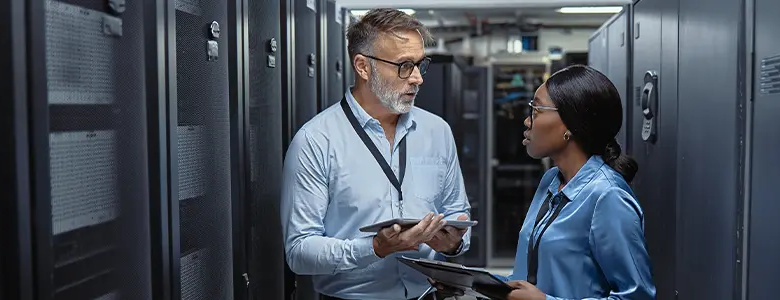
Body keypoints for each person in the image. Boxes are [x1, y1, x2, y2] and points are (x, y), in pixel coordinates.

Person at [280, 8, 472, 300]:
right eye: (404, 65)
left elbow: (459, 212)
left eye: (421, 64)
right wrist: (374, 248)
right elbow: (299, 251)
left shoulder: (438, 131)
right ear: (363, 67)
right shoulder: (316, 140)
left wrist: (453, 245)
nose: (418, 78)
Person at [486, 65, 656, 300]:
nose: (526, 121)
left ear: (570, 124)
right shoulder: (551, 181)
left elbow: (638, 297)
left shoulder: (608, 196)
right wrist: (472, 284)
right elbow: (531, 280)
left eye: (536, 110)